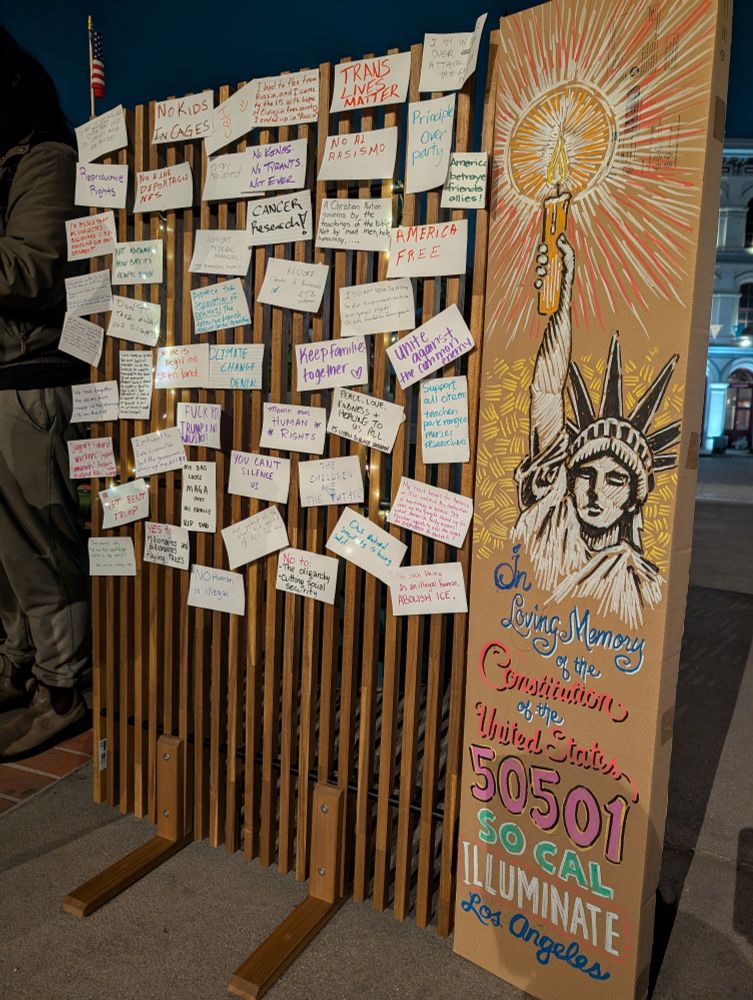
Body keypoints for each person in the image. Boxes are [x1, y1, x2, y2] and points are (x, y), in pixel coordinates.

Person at [511, 233, 682, 629]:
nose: (594, 492)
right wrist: (562, 299)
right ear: (567, 481)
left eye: (614, 480)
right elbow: (547, 391)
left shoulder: (639, 583)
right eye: (585, 474)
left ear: (632, 500)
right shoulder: (548, 520)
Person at [0, 28, 90, 756]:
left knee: (40, 546)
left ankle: (64, 690)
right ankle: (22, 667)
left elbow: (32, 270)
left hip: (29, 386)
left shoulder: (47, 160)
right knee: (5, 552)